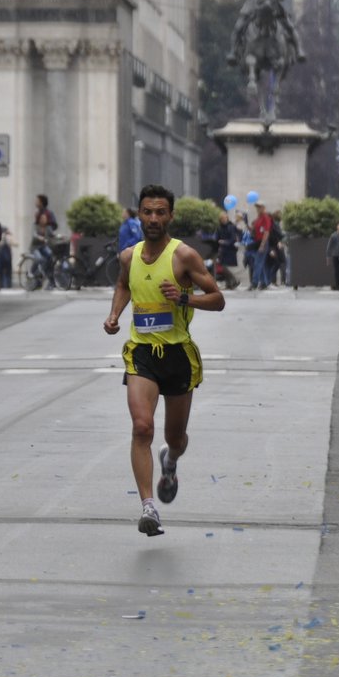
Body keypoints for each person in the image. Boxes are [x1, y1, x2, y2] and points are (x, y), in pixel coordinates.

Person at [104, 185, 226, 536]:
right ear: (139, 214)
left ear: (170, 216)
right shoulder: (129, 256)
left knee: (176, 437)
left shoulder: (183, 256)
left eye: (160, 212)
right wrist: (114, 315)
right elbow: (124, 284)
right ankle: (148, 508)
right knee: (142, 427)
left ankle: (170, 462)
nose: (153, 218)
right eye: (147, 212)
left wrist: (185, 297)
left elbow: (218, 299)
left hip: (177, 355)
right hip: (142, 352)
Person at [249, 202, 274, 290]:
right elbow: (254, 230)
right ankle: (264, 283)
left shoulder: (266, 218)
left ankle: (254, 283)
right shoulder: (258, 218)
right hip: (257, 242)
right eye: (257, 207)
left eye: (259, 207)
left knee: (258, 263)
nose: (258, 209)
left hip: (263, 242)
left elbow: (266, 232)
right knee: (261, 263)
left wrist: (262, 245)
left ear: (263, 208)